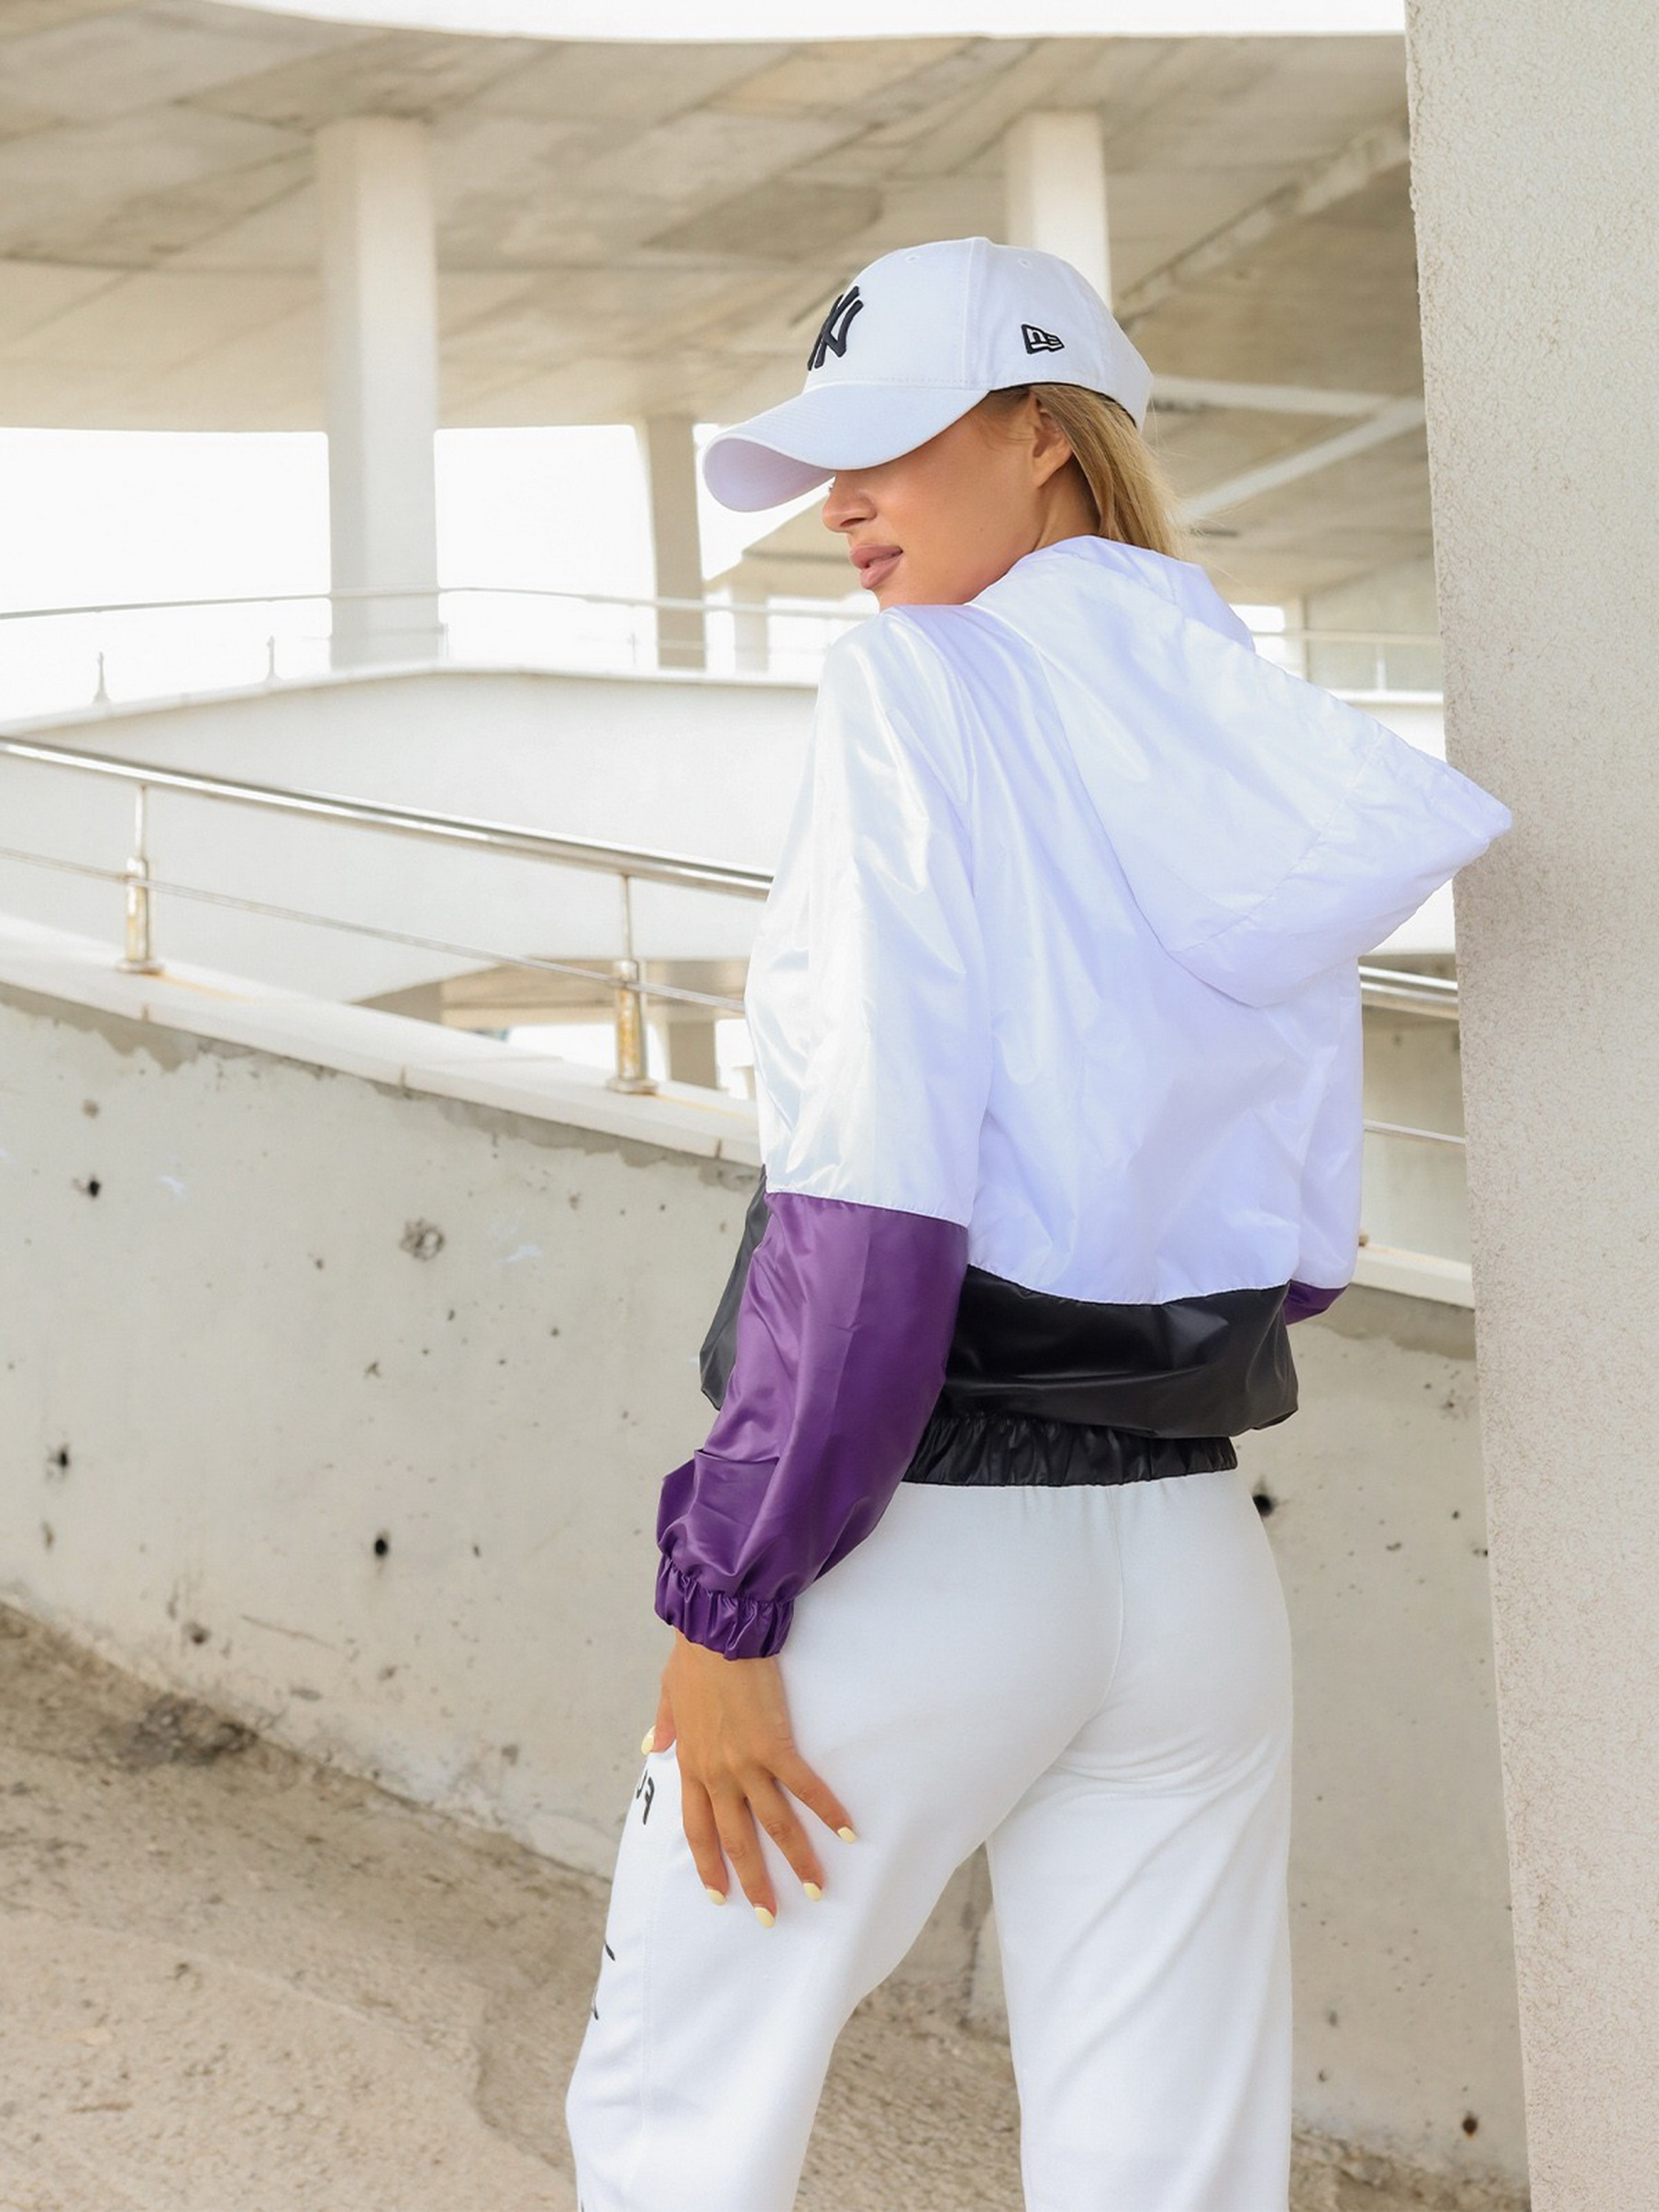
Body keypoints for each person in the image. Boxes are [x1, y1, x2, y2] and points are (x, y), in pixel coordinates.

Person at [564, 234, 1513, 2212]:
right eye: (826, 464)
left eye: (890, 444)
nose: (843, 504)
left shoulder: (915, 686)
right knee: (1164, 2168)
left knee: (678, 2121)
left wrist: (728, 1595)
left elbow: (872, 1190)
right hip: (1187, 1576)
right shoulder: (1254, 743)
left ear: (1040, 436)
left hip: (917, 1550)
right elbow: (1300, 1252)